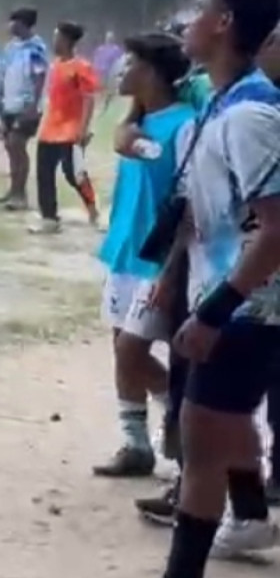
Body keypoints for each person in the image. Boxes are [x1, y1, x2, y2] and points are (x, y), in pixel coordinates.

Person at [109, 0, 280, 578]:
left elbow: (274, 227)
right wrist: (171, 283)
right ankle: (250, 517)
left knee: (201, 435)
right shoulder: (217, 103)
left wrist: (215, 309)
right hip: (227, 294)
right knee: (222, 420)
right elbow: (199, 217)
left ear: (227, 25)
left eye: (200, 8)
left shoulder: (251, 116)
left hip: (251, 304)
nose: (187, 19)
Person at [94, 34, 195, 479]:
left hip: (159, 258)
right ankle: (134, 442)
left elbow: (191, 205)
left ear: (152, 71)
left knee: (133, 350)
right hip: (124, 250)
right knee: (121, 347)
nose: (120, 68)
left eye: (130, 62)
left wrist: (171, 270)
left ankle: (179, 411)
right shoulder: (136, 122)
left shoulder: (186, 125)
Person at [31, 22, 101, 233]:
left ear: (68, 41)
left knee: (74, 173)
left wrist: (84, 127)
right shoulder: (54, 65)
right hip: (50, 127)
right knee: (44, 172)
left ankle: (92, 208)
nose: (54, 42)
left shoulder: (81, 67)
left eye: (57, 38)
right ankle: (49, 217)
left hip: (71, 128)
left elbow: (88, 99)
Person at [0, 7, 49, 210]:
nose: (10, 26)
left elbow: (39, 77)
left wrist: (33, 105)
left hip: (25, 105)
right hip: (9, 104)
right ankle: (13, 189)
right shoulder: (10, 47)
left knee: (17, 145)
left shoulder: (35, 48)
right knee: (10, 148)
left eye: (14, 21)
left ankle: (21, 194)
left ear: (23, 23)